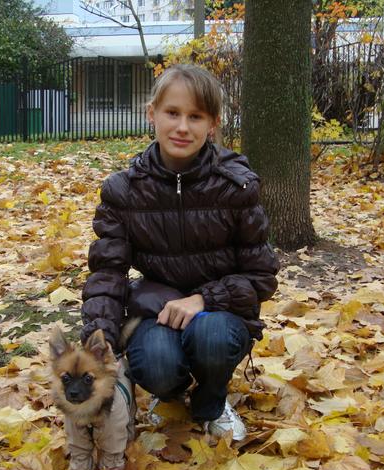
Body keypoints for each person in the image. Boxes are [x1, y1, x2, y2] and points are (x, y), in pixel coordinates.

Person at [80, 63, 279, 442]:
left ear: (213, 124)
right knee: (155, 361)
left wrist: (203, 299)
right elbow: (108, 272)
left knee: (211, 337)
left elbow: (261, 276)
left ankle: (212, 402)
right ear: (152, 114)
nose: (182, 127)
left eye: (196, 116)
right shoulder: (124, 191)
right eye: (172, 113)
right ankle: (170, 395)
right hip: (157, 311)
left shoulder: (235, 187)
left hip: (219, 315)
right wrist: (99, 338)